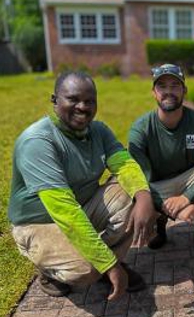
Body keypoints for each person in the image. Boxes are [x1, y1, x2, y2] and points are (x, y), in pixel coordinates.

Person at [8, 71, 157, 300]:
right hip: (38, 223)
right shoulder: (38, 142)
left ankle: (104, 261)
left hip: (83, 207)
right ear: (54, 100)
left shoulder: (99, 130)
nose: (82, 107)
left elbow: (124, 164)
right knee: (86, 270)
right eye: (73, 99)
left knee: (132, 195)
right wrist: (106, 264)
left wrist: (144, 196)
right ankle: (52, 272)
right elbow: (65, 212)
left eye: (89, 101)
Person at [128, 64, 194, 262]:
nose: (168, 91)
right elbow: (136, 181)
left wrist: (186, 198)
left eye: (175, 85)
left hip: (185, 180)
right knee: (126, 196)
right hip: (154, 186)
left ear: (184, 90)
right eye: (162, 86)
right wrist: (170, 207)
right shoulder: (140, 129)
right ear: (153, 92)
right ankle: (160, 223)